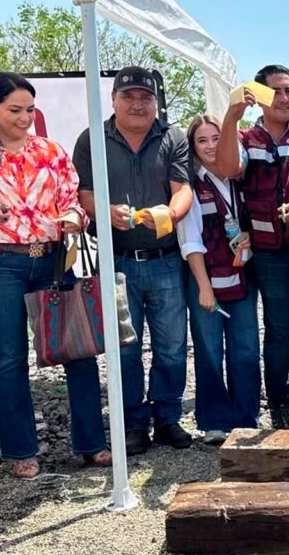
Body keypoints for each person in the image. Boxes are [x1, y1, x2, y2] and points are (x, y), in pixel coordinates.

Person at [0, 72, 109, 479]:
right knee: (10, 357)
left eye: (30, 109)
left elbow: (72, 200)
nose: (25, 118)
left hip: (51, 259)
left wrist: (72, 218)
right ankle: (20, 450)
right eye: (15, 110)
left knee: (77, 349)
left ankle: (92, 443)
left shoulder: (49, 150)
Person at [74, 66, 194, 455]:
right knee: (124, 348)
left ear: (156, 103)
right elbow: (84, 194)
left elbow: (183, 189)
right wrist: (104, 210)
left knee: (172, 346)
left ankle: (168, 417)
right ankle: (133, 424)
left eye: (146, 98)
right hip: (116, 260)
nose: (137, 104)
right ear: (113, 100)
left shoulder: (173, 137)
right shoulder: (92, 139)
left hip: (166, 260)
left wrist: (170, 215)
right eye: (129, 97)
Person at [214, 65, 289, 430]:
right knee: (278, 331)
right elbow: (227, 167)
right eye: (276, 91)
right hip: (270, 256)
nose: (285, 98)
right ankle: (279, 404)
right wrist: (230, 117)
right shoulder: (246, 137)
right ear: (262, 97)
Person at [177, 114, 261, 445]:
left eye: (216, 138)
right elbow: (190, 240)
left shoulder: (240, 177)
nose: (211, 146)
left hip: (241, 274)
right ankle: (214, 420)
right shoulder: (190, 185)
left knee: (246, 347)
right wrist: (203, 287)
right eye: (202, 140)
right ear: (193, 147)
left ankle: (246, 418)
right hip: (205, 276)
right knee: (209, 349)